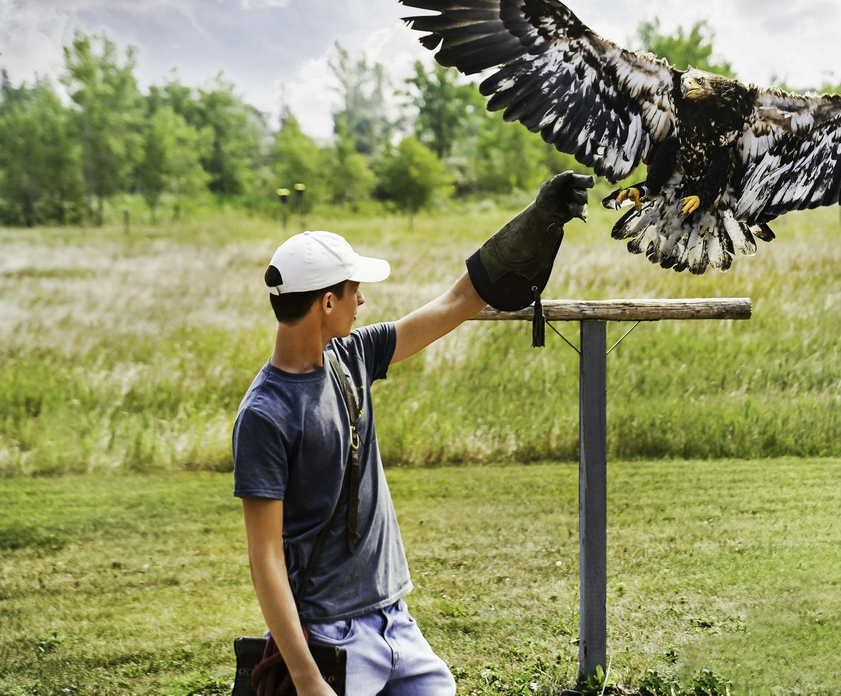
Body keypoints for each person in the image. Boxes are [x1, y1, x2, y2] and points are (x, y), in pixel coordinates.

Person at [232, 172, 592, 695]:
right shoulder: (264, 415)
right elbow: (264, 558)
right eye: (355, 291)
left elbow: (454, 303)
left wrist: (538, 220)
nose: (363, 302)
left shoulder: (351, 356)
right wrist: (307, 677)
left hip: (396, 622)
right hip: (329, 640)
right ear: (326, 302)